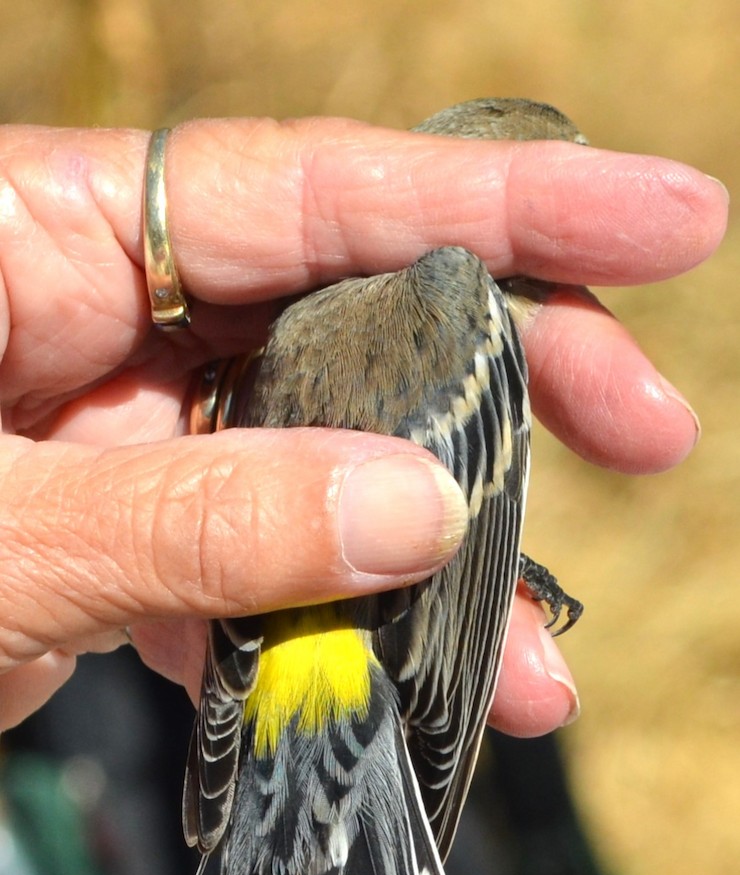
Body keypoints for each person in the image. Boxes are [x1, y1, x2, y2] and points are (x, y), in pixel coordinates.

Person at [0, 116, 727, 733]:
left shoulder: (301, 313)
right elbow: (467, 520)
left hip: (286, 660)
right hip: (366, 657)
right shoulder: (463, 300)